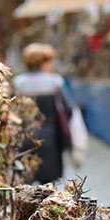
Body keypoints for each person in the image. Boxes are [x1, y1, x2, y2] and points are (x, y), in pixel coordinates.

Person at [13, 43, 72, 184]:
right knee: (49, 187)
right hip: (50, 140)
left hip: (25, 138)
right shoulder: (55, 82)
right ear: (43, 63)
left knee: (25, 183)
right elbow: (67, 110)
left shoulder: (18, 83)